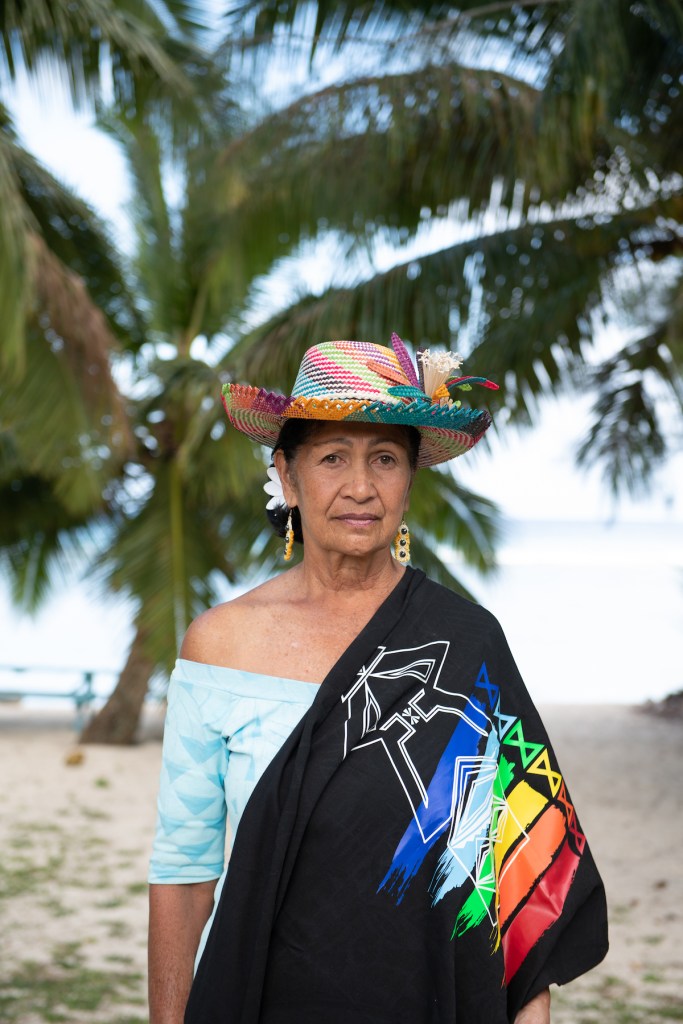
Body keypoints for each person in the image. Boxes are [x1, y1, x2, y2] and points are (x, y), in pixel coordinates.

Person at [148, 334, 608, 1024]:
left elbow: (515, 879)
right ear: (287, 474)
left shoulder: (467, 642)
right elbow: (183, 873)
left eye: (384, 459)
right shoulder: (220, 644)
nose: (360, 487)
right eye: (332, 457)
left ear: (410, 479)